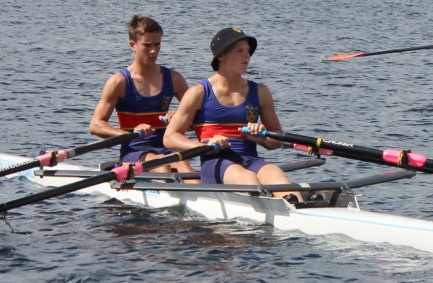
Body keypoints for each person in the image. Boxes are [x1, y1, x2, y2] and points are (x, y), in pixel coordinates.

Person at [163, 27, 302, 201]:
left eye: (248, 51)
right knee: (248, 179)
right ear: (220, 55)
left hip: (250, 159)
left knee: (277, 176)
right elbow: (169, 137)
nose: (247, 56)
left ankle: (296, 210)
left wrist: (262, 139)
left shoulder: (260, 91)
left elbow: (276, 141)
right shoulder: (198, 93)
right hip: (216, 163)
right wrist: (205, 144)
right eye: (239, 51)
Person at [89, 15, 194, 177]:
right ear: (133, 45)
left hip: (167, 147)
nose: (153, 51)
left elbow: (199, 119)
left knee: (183, 164)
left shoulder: (175, 79)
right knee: (162, 164)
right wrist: (127, 135)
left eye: (157, 44)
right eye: (147, 45)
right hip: (134, 151)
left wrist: (180, 117)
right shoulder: (118, 82)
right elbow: (96, 125)